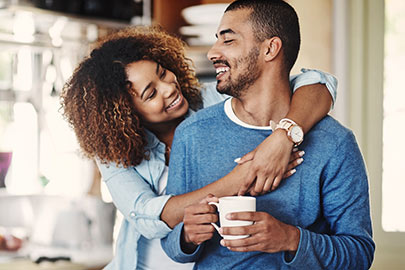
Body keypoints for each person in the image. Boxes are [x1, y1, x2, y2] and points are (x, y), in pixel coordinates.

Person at [60, 25, 337, 270]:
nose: (168, 87)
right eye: (151, 93)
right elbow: (148, 215)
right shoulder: (113, 152)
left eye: (162, 73)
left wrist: (283, 138)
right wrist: (248, 172)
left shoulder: (213, 100)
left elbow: (317, 83)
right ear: (125, 113)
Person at [161, 1, 375, 269]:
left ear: (270, 49)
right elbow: (171, 243)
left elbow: (359, 255)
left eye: (228, 41)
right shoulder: (192, 134)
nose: (213, 52)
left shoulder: (335, 143)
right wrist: (187, 236)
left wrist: (290, 238)